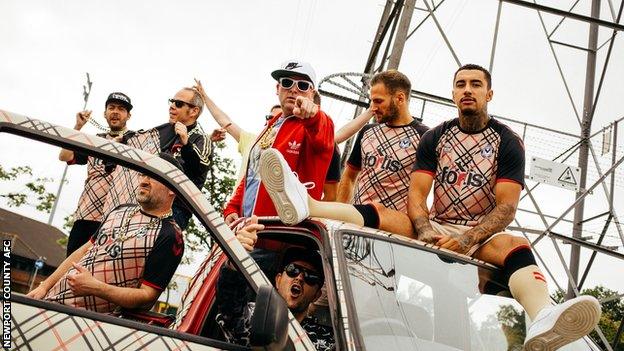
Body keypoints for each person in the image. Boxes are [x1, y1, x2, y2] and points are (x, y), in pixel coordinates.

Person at [257, 64, 601, 350]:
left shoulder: (508, 141)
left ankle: (542, 315)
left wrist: (466, 241)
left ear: (489, 94)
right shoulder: (434, 136)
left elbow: (506, 208)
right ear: (452, 93)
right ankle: (310, 205)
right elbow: (417, 195)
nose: (468, 90)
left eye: (476, 84)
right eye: (461, 84)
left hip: (478, 233)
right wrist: (423, 230)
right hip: (430, 225)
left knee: (517, 245)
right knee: (379, 214)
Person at [27, 153, 185, 313]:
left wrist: (95, 287)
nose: (144, 181)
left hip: (88, 322)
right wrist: (45, 286)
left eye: (153, 176)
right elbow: (83, 251)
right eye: (143, 174)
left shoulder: (171, 235)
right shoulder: (120, 210)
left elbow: (147, 296)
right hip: (49, 303)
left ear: (172, 187)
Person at [222, 60, 335, 225]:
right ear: (277, 88)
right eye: (287, 83)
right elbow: (254, 174)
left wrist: (314, 115)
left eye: (303, 85)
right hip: (247, 229)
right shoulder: (271, 124)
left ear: (312, 93)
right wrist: (233, 206)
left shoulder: (316, 123)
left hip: (283, 234)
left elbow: (323, 132)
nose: (294, 89)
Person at [215, 216, 334, 350]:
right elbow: (229, 307)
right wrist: (235, 258)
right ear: (278, 280)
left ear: (317, 295)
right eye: (293, 270)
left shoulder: (327, 340)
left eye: (310, 276)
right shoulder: (255, 315)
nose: (300, 277)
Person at [101, 86, 211, 230]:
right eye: (171, 101)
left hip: (174, 210)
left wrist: (186, 144)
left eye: (178, 103)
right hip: (143, 204)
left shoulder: (201, 138)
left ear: (194, 111)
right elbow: (138, 144)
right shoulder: (162, 132)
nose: (171, 106)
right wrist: (120, 145)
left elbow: (201, 167)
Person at [336, 70, 428, 211]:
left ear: (400, 99)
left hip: (393, 226)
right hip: (357, 219)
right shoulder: (367, 131)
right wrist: (340, 212)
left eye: (378, 101)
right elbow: (349, 177)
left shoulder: (425, 136)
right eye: (371, 101)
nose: (373, 107)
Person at [59, 92, 133, 255]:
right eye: (111, 107)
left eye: (121, 109)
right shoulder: (94, 141)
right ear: (104, 113)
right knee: (70, 265)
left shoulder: (134, 142)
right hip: (86, 214)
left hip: (115, 219)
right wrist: (77, 127)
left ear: (128, 115)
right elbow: (64, 156)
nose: (115, 112)